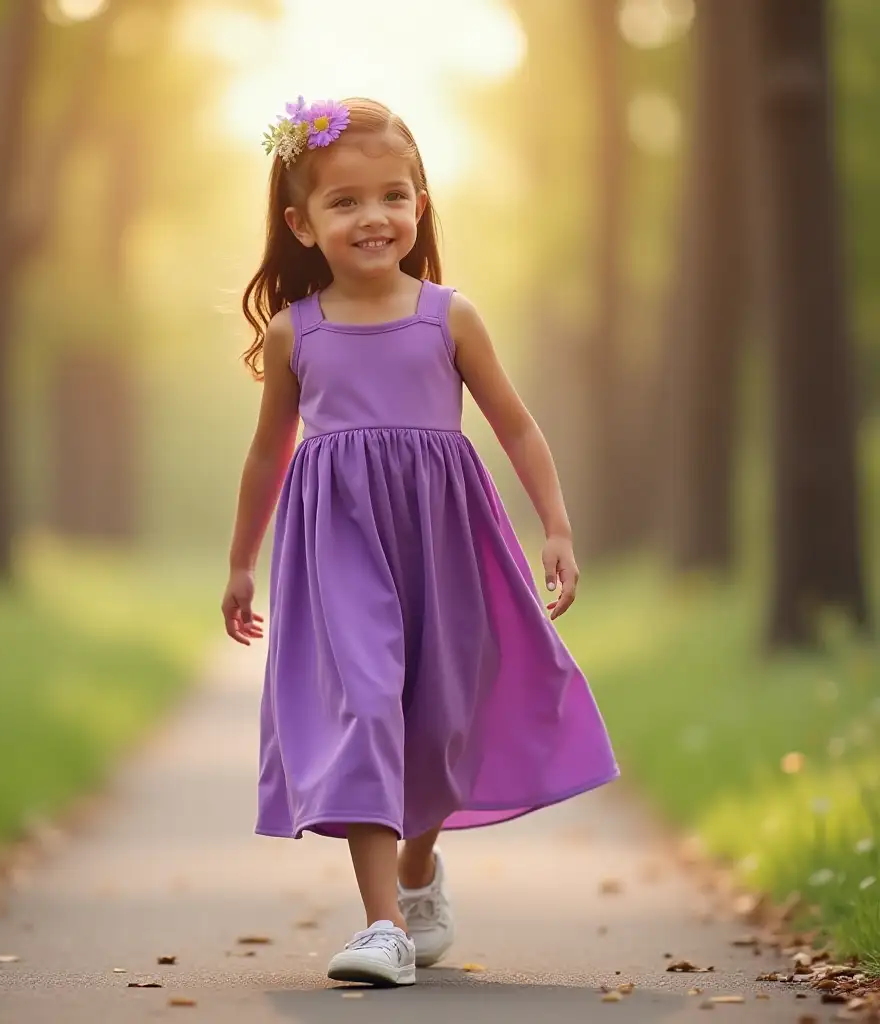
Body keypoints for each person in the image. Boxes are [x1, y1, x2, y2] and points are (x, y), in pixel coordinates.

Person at [222, 96, 618, 988]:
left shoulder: (449, 317)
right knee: (364, 704)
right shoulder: (297, 332)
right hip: (339, 552)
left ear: (422, 203)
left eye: (394, 196)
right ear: (302, 222)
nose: (374, 218)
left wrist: (554, 526)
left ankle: (417, 871)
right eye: (346, 202)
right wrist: (242, 563)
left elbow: (516, 427)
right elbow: (264, 455)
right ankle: (382, 924)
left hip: (443, 544)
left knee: (440, 719)